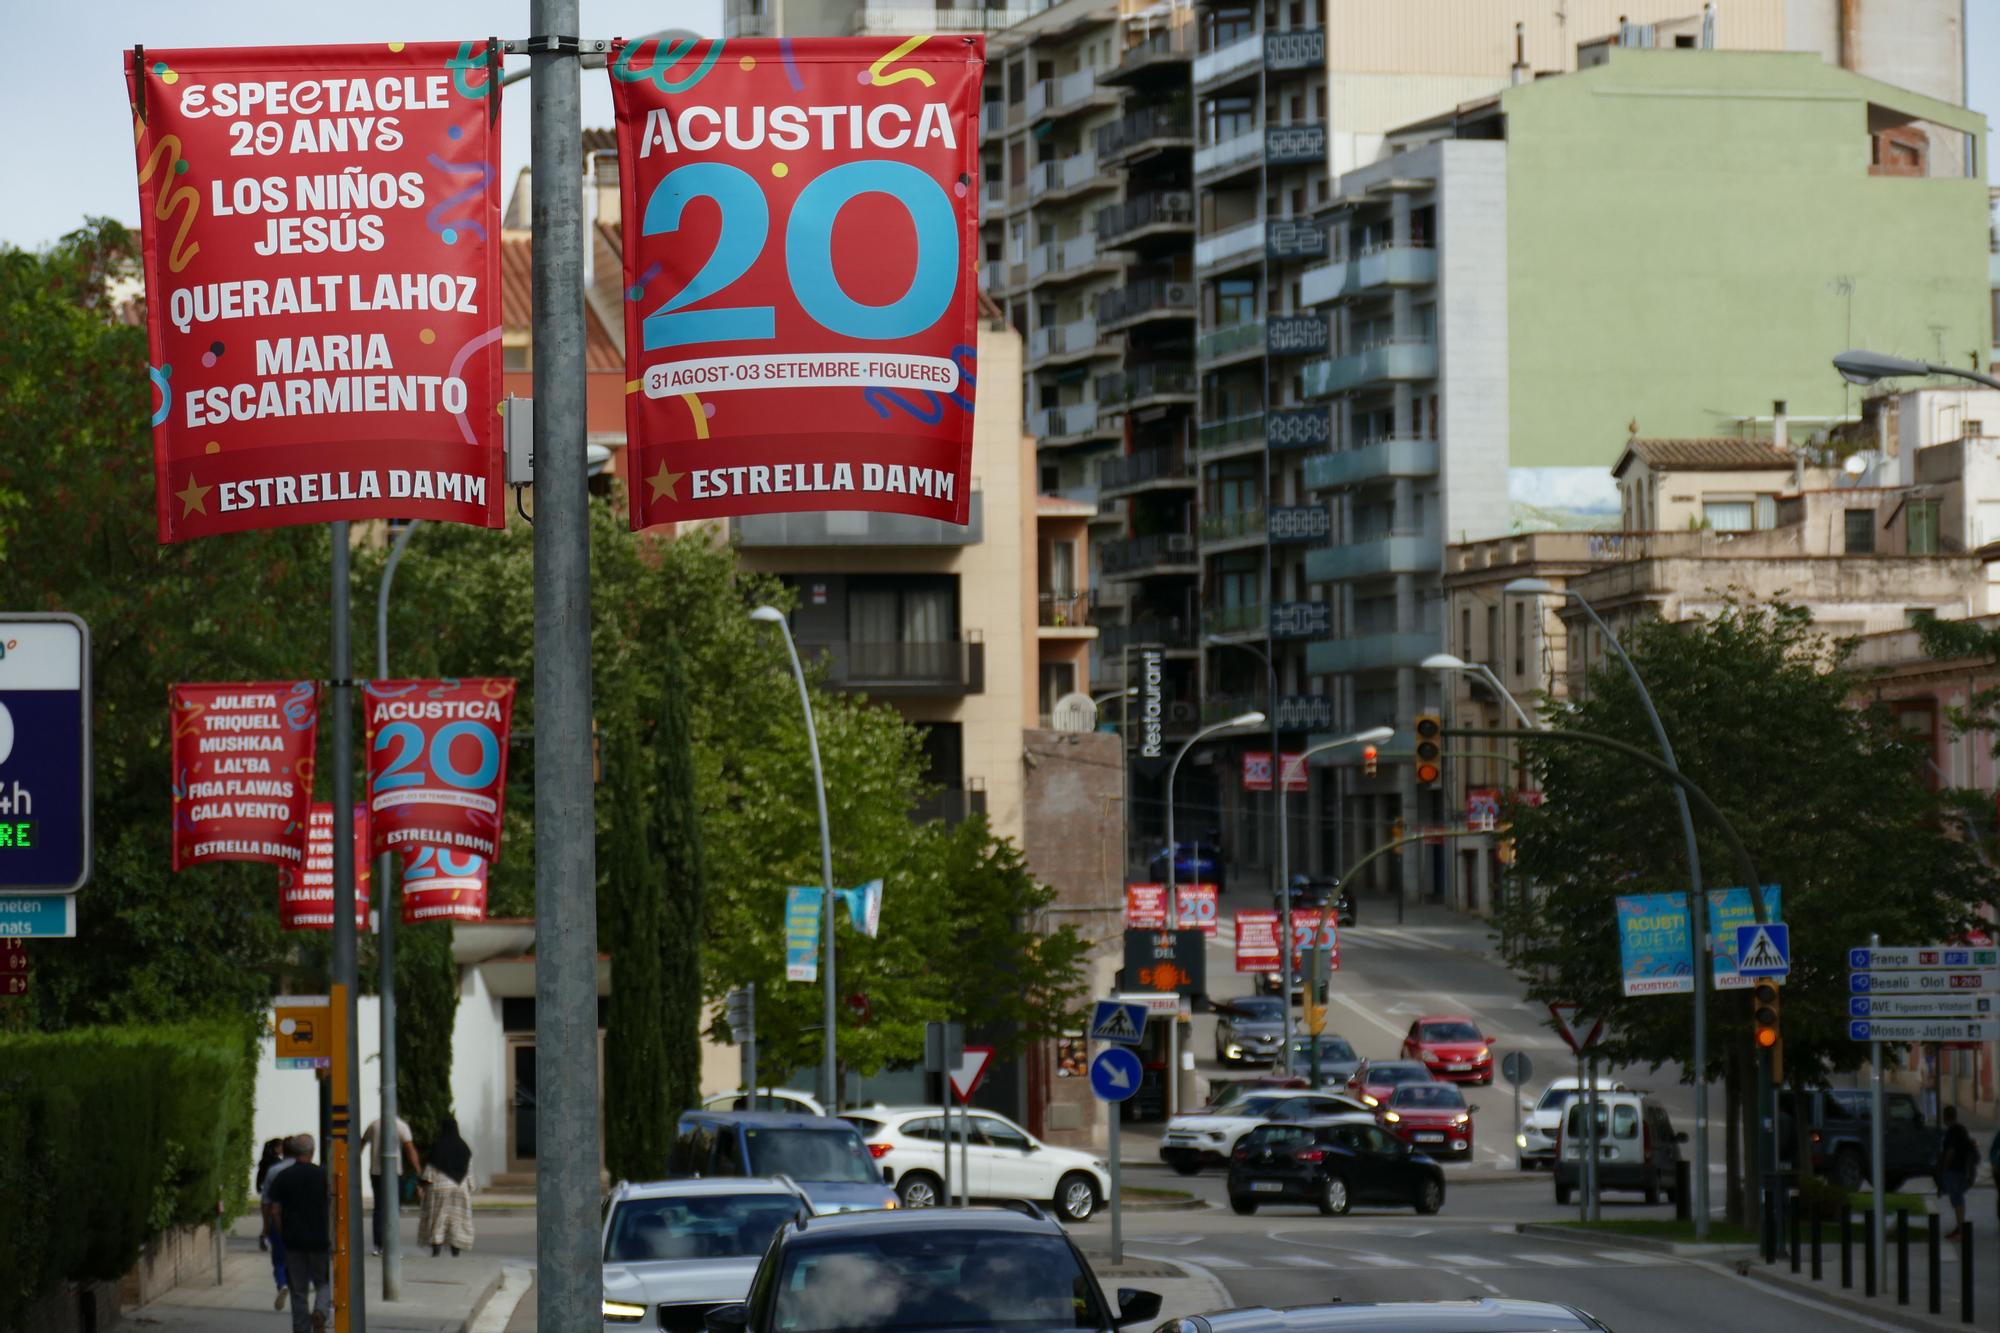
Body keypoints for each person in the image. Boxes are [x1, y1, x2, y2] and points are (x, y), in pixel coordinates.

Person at [265, 1134, 332, 1333]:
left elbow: (275, 1210)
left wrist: (283, 1231)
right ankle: (321, 1310)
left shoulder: (283, 1176)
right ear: (312, 1152)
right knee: (322, 1282)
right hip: (319, 1239)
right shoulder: (322, 1175)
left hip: (293, 1241)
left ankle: (302, 1329)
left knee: (298, 1290)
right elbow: (332, 1205)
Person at [360, 1114, 420, 1257]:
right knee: (393, 1208)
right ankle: (391, 1244)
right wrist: (418, 1169)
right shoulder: (401, 1126)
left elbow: (361, 1143)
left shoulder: (374, 1124)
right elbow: (409, 1148)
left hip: (376, 1172)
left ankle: (378, 1245)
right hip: (394, 1172)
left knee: (379, 1208)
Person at [418, 1115, 476, 1257]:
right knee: (457, 1220)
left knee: (438, 1218)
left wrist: (422, 1185)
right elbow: (469, 1171)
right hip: (460, 1188)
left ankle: (436, 1250)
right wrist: (470, 1187)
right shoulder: (464, 1147)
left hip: (439, 1187)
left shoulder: (438, 1145)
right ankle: (455, 1252)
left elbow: (429, 1172)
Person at [257, 1137, 293, 1309]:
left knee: (279, 1259)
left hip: (277, 1220)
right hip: (303, 1223)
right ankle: (300, 1284)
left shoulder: (274, 1171)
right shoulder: (312, 1170)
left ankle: (282, 1284)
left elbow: (266, 1202)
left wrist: (265, 1228)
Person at [1938, 1104, 1977, 1240]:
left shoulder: (1952, 1132)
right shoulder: (1962, 1130)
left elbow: (1950, 1151)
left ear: (1945, 1118)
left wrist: (1944, 1168)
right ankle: (1960, 1227)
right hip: (1963, 1169)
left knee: (1956, 1199)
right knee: (1958, 1198)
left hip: (1953, 1169)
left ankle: (1961, 1230)